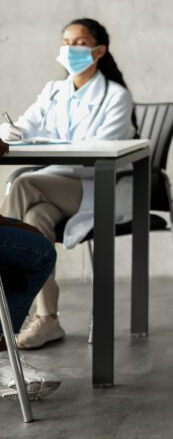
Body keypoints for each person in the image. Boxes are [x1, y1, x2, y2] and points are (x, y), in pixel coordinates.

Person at [0, 18, 134, 350]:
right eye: (65, 42)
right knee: (34, 220)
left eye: (78, 42)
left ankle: (4, 314)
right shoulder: (53, 90)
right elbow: (24, 125)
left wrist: (45, 141)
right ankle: (47, 319)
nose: (69, 49)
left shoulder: (116, 96)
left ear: (99, 50)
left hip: (95, 187)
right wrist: (9, 132)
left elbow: (99, 153)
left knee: (23, 185)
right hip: (55, 185)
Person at [0, 138, 62, 400]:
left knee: (34, 216)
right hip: (51, 175)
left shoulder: (115, 96)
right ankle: (3, 357)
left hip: (76, 180)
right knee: (39, 252)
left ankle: (47, 319)